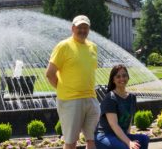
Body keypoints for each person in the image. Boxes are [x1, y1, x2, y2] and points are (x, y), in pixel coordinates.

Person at [46, 15, 100, 149]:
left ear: (89, 29)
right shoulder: (63, 46)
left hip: (91, 98)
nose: (82, 30)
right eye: (79, 27)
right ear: (73, 28)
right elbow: (50, 73)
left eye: (85, 27)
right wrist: (62, 89)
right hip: (70, 100)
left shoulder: (93, 47)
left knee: (92, 139)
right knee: (71, 142)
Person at [95, 64, 149, 149]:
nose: (122, 79)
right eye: (118, 76)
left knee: (143, 139)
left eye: (124, 76)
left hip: (119, 135)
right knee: (124, 147)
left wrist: (128, 137)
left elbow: (129, 120)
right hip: (105, 136)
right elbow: (114, 125)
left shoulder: (132, 97)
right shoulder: (110, 98)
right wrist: (129, 142)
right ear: (113, 80)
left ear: (128, 77)